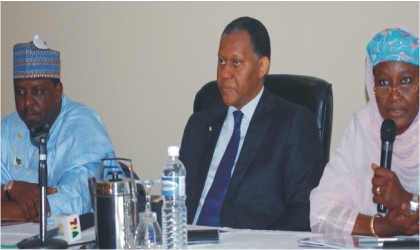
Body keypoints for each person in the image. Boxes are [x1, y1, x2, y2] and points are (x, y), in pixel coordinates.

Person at [179, 17, 324, 230]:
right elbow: (176, 200)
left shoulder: (292, 122)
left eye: (236, 63)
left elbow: (304, 209)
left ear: (262, 66)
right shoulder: (198, 124)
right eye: (221, 61)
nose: (224, 73)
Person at [310, 27, 419, 236]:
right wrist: (380, 227)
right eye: (384, 83)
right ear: (372, 87)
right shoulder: (364, 125)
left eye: (405, 81)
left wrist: (405, 199)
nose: (394, 95)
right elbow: (320, 212)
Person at [1, 35, 118, 224]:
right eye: (19, 92)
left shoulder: (83, 128)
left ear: (57, 91)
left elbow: (71, 204)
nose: (27, 102)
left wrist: (7, 207)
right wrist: (11, 188)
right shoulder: (7, 129)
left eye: (38, 91)